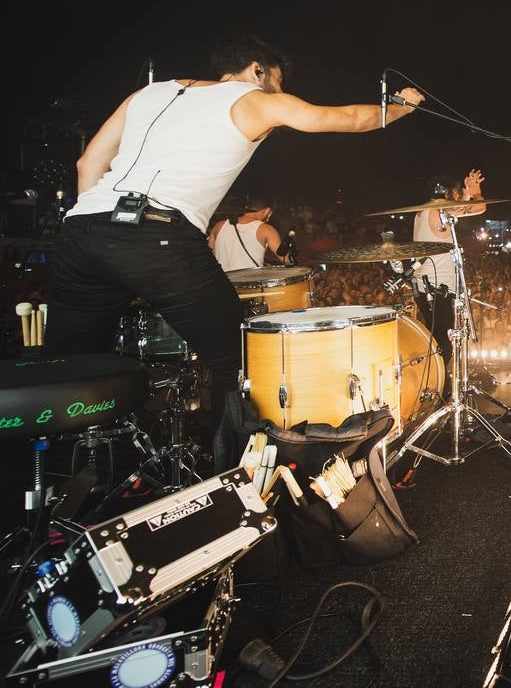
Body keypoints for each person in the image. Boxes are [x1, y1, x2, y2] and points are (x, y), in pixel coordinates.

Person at [46, 32, 425, 464]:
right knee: (239, 363)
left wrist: (102, 230)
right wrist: (400, 107)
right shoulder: (251, 97)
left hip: (81, 231)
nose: (280, 94)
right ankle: (233, 483)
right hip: (159, 232)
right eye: (278, 82)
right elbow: (350, 119)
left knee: (70, 368)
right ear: (257, 70)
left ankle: (61, 486)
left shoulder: (147, 94)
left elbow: (87, 165)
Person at [410, 169, 487, 357]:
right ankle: (441, 384)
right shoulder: (439, 212)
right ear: (447, 193)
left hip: (424, 286)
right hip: (437, 287)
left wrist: (466, 194)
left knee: (435, 336)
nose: (459, 194)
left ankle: (436, 380)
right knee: (444, 344)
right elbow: (480, 207)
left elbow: (458, 210)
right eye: (457, 191)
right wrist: (475, 192)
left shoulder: (423, 212)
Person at [208, 195, 288, 270]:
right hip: (248, 282)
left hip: (219, 282)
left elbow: (208, 252)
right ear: (267, 211)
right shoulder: (266, 229)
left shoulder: (219, 225)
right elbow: (286, 259)